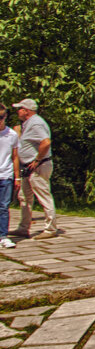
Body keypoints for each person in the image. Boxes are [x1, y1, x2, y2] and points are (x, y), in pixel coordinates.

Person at [13, 99, 56, 240]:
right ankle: (23, 227)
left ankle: (50, 228)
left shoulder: (36, 123)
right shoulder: (27, 124)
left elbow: (46, 142)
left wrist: (37, 159)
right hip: (28, 167)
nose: (18, 111)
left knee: (43, 195)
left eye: (20, 108)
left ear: (27, 110)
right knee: (24, 197)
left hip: (38, 166)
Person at [0, 104, 17, 248]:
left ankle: (3, 236)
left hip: (6, 174)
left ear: (5, 116)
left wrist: (17, 177)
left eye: (0, 117)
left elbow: (15, 157)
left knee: (4, 207)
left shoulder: (11, 134)